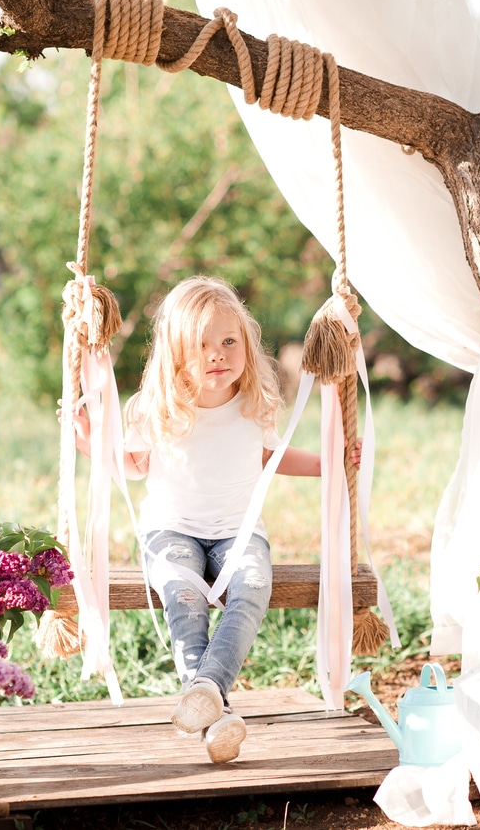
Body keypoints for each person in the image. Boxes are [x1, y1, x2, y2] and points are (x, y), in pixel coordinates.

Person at [73, 275, 359, 764]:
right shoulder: (155, 408)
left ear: (246, 344)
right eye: (201, 345)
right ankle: (215, 708)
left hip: (238, 532)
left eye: (229, 341)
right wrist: (87, 444)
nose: (217, 354)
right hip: (171, 530)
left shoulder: (254, 405)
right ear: (175, 353)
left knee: (252, 590)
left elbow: (274, 455)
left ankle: (206, 693)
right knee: (185, 599)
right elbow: (131, 464)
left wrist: (329, 462)